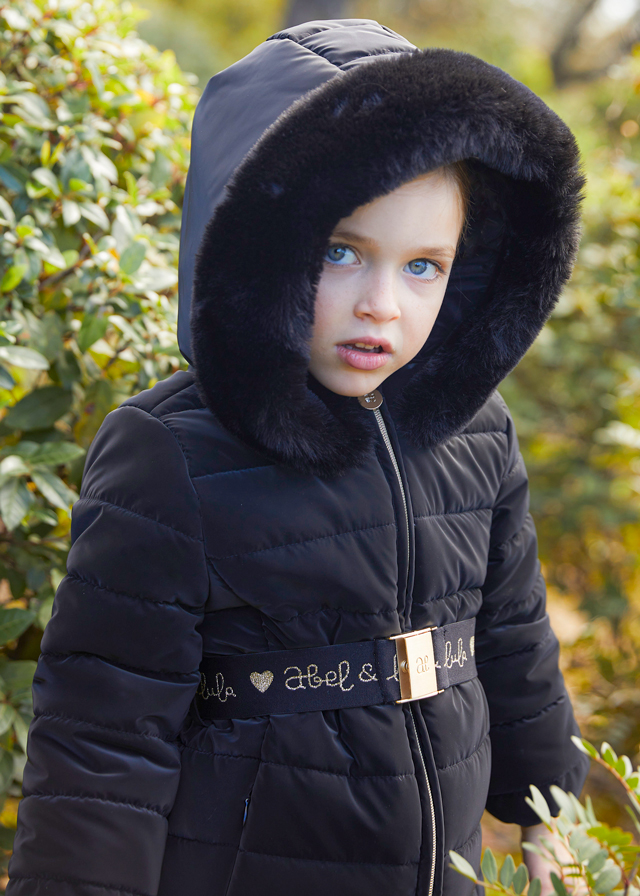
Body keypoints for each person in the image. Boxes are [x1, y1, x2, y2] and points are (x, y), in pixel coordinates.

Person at [7, 18, 590, 896]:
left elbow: (512, 634)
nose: (382, 304)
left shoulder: (474, 430)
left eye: (424, 266)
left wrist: (551, 810)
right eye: (341, 253)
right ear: (260, 249)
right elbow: (105, 738)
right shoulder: (170, 453)